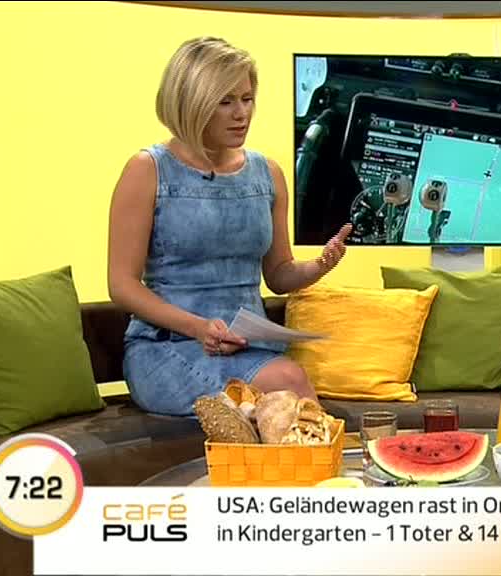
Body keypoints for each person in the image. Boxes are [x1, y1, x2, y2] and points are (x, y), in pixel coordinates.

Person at [107, 37, 351, 416]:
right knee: (288, 383)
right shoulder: (148, 170)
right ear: (191, 102)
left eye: (247, 99)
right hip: (169, 349)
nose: (242, 113)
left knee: (285, 388)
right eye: (225, 102)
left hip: (250, 350)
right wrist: (198, 327)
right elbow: (122, 286)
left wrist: (319, 266)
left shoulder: (267, 174)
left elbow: (279, 274)